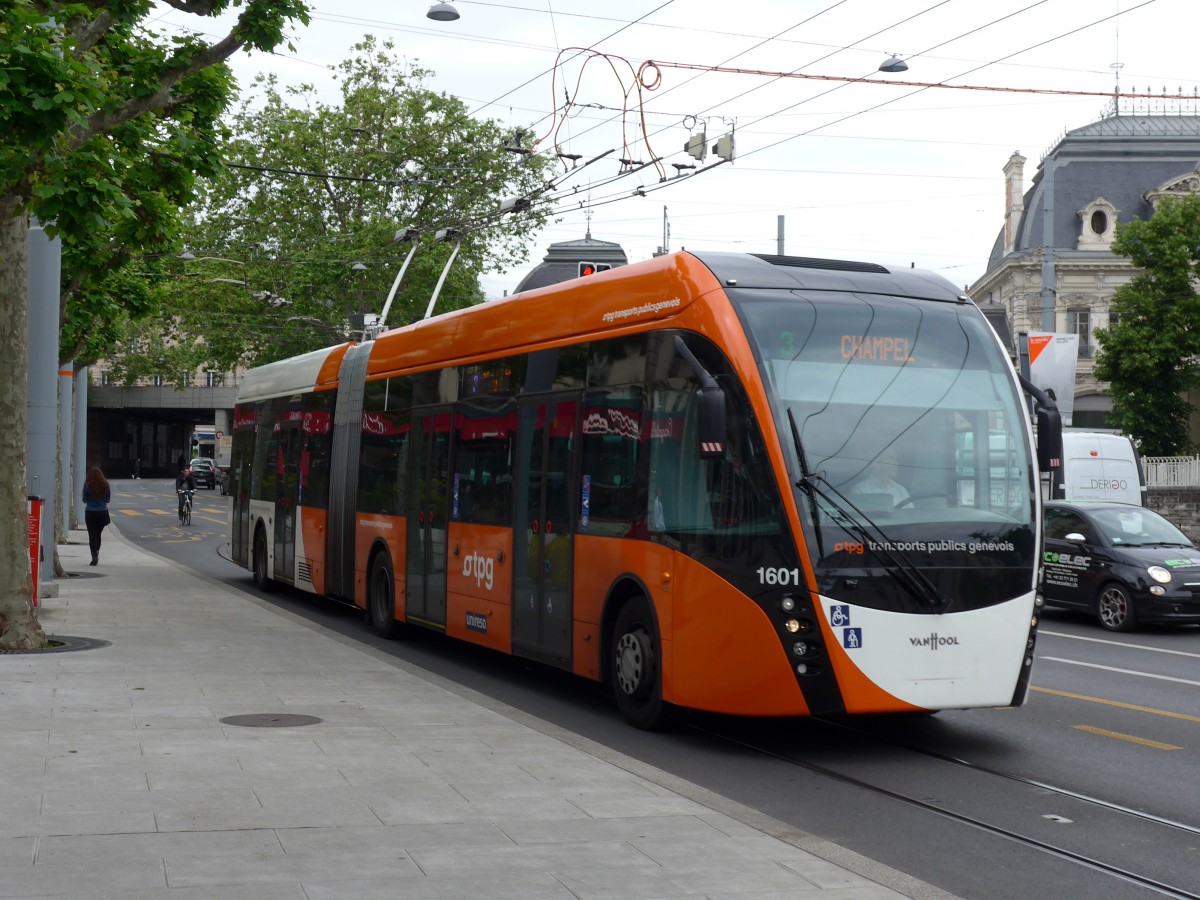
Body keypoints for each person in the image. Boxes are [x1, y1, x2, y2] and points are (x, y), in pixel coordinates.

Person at [81, 466, 111, 566]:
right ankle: (97, 550)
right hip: (102, 512)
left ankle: (94, 554)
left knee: (92, 534)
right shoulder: (106, 484)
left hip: (90, 512)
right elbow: (107, 500)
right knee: (98, 533)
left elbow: (84, 500)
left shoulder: (87, 485)